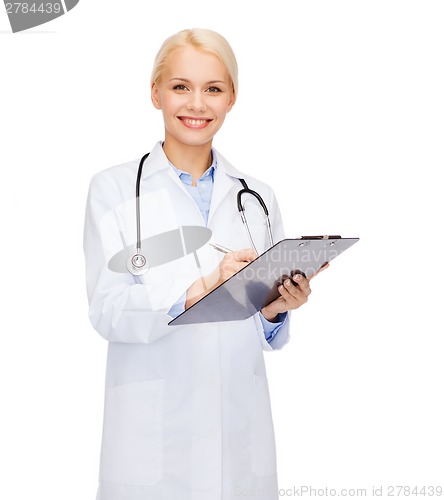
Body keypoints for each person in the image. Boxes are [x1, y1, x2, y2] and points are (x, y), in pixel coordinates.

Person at [83, 28, 323, 500]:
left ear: (232, 98)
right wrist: (199, 289)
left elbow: (257, 317)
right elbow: (107, 309)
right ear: (155, 92)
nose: (197, 104)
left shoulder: (256, 196)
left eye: (213, 89)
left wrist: (276, 308)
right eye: (180, 87)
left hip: (238, 438)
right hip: (153, 444)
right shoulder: (113, 191)